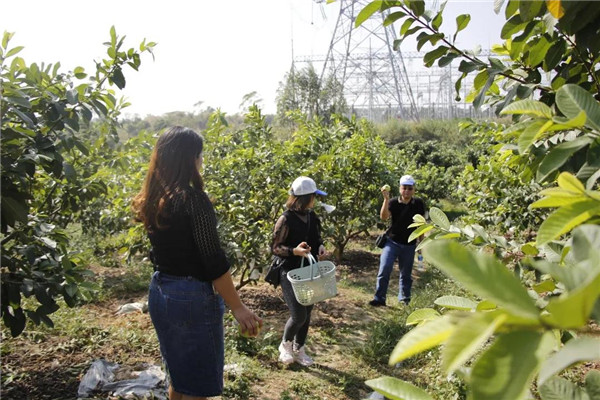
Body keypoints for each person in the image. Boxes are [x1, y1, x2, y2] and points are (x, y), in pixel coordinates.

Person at [132, 126, 262, 400]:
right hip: (189, 298)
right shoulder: (192, 200)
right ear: (190, 159)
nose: (202, 162)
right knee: (197, 386)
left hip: (161, 291)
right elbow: (212, 258)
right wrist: (237, 307)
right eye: (200, 156)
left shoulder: (155, 198)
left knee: (180, 376)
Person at [271, 176, 327, 366]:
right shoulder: (285, 219)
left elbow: (316, 238)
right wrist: (294, 251)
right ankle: (285, 345)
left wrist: (320, 246)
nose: (315, 200)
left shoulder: (311, 216)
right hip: (289, 272)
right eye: (313, 196)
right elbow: (275, 247)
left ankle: (299, 348)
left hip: (308, 269)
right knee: (298, 314)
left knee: (308, 311)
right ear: (306, 197)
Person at [369, 174, 426, 307]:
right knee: (384, 269)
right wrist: (385, 199)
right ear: (400, 188)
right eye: (404, 188)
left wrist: (421, 244)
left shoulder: (418, 204)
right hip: (392, 242)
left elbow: (421, 225)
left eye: (409, 188)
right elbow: (383, 217)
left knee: (406, 274)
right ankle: (379, 298)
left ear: (414, 190)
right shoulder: (393, 202)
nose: (406, 191)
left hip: (409, 244)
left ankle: (404, 300)